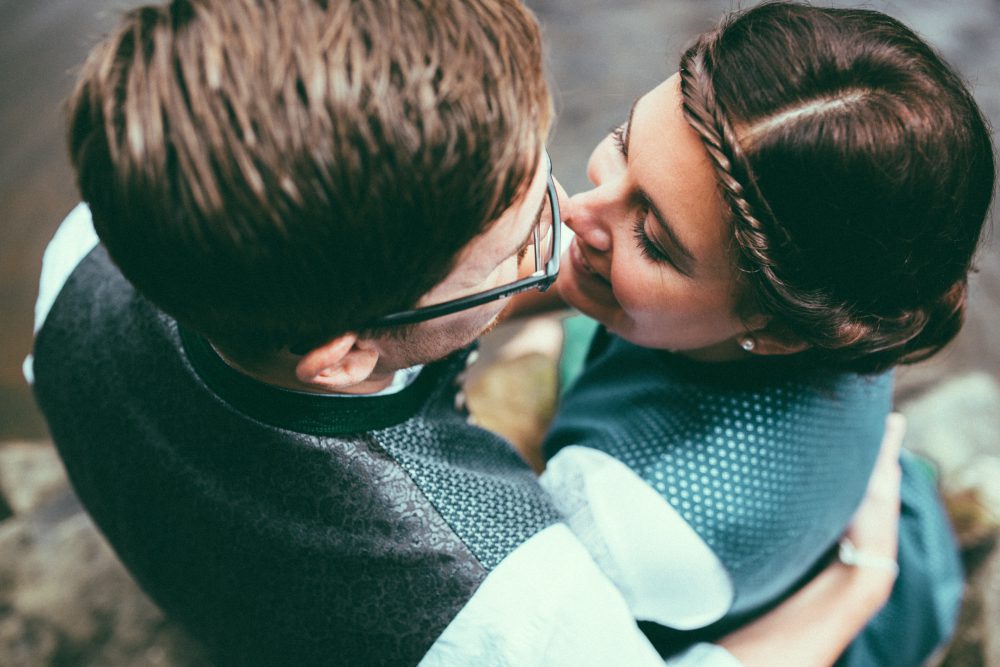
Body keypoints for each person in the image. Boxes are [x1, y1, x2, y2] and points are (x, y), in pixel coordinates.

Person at [27, 0, 903, 664]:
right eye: (520, 246)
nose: (570, 228)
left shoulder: (104, 231)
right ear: (347, 357)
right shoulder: (509, 600)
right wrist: (862, 584)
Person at [537, 2, 993, 664]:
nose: (577, 211)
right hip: (836, 512)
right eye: (622, 139)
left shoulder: (615, 518)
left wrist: (862, 584)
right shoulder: (862, 272)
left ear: (778, 331)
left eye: (655, 239)